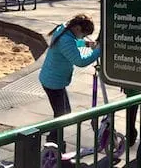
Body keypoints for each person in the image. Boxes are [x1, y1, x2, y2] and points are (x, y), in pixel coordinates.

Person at [39, 14, 101, 146]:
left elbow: (73, 42)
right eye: (83, 35)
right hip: (53, 82)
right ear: (78, 29)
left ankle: (54, 138)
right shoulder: (65, 40)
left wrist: (85, 44)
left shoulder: (64, 30)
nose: (83, 38)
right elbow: (80, 61)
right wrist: (98, 51)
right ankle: (54, 142)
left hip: (52, 79)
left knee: (65, 112)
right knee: (61, 115)